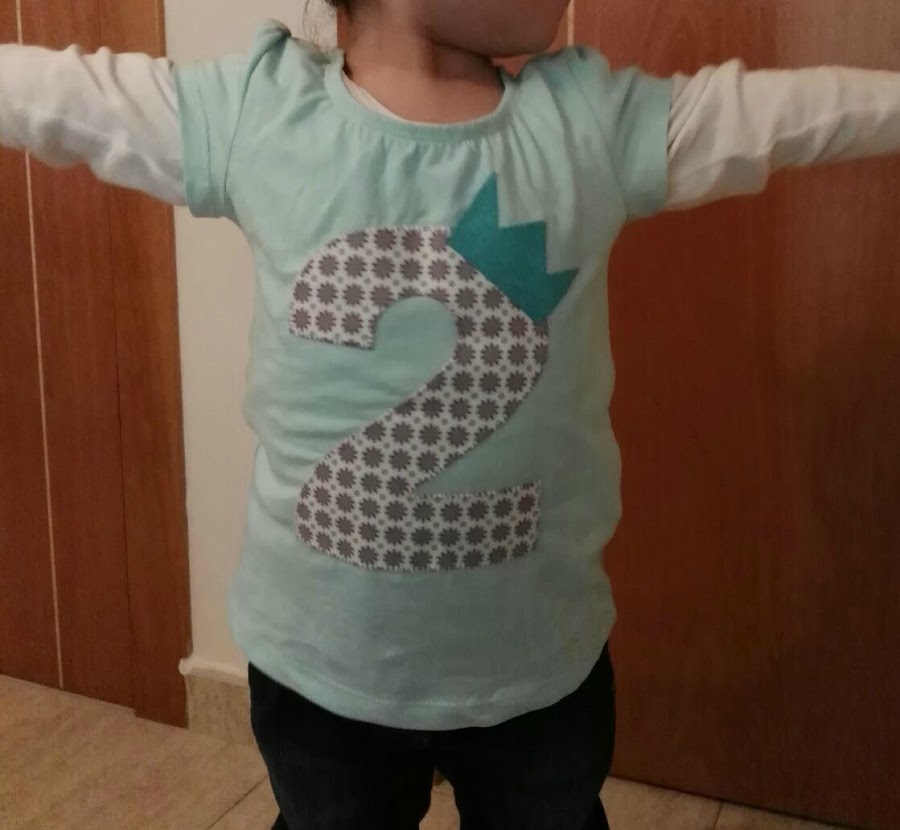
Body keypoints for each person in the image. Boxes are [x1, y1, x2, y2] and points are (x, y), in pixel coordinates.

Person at [2, 1, 900, 827]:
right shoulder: (260, 113)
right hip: (323, 669)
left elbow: (773, 117)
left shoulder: (584, 124)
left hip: (536, 667)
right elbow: (66, 98)